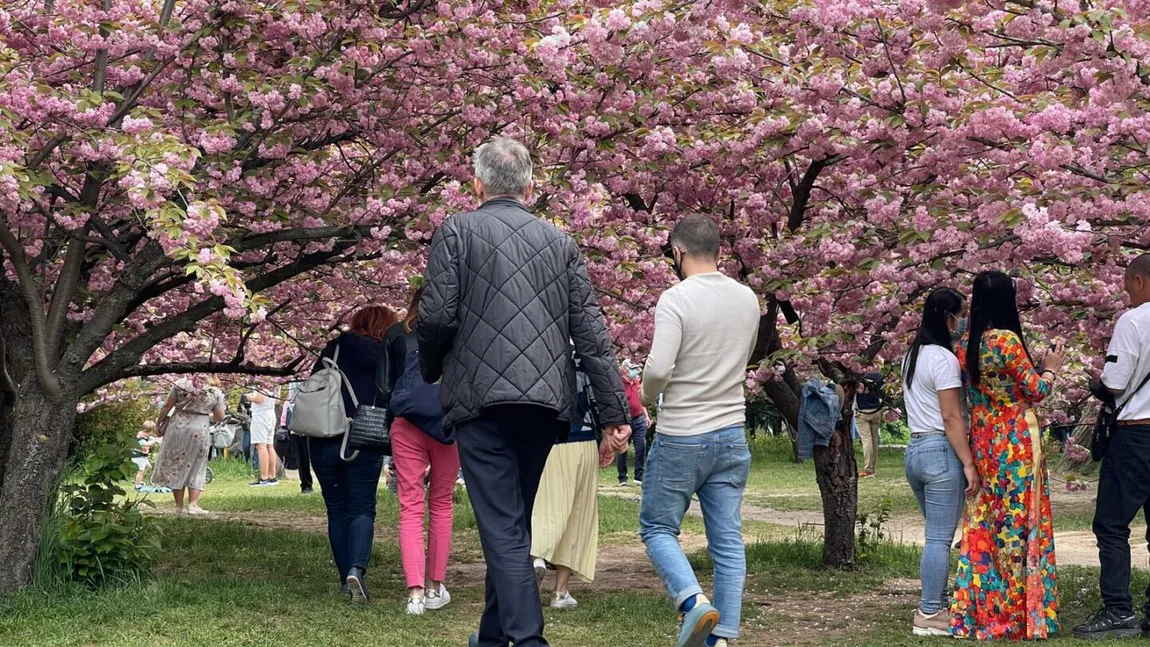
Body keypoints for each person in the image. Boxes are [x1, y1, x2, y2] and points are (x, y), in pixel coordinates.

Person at [418, 136, 630, 647]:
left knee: (503, 527)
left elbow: (435, 316)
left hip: (480, 400)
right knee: (510, 523)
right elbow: (592, 334)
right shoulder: (561, 243)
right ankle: (492, 637)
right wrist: (613, 410)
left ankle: (529, 639)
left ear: (477, 184)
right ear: (532, 187)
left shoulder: (457, 231)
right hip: (543, 405)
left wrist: (432, 369)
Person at [639, 214, 761, 647]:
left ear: (678, 251)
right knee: (727, 539)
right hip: (730, 430)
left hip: (682, 433)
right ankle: (723, 637)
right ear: (719, 251)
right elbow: (742, 358)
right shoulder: (748, 299)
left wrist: (648, 395)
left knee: (657, 528)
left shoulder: (676, 299)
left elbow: (657, 369)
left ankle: (693, 602)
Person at [951, 271, 1066, 640]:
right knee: (1020, 522)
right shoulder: (1006, 341)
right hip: (1016, 442)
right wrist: (1050, 369)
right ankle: (1020, 611)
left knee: (988, 521)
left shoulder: (967, 343)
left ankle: (988, 604)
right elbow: (1035, 391)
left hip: (983, 441)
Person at [1073, 254, 1150, 639]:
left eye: (1126, 283)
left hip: (1136, 435)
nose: (1123, 291)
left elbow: (1115, 385)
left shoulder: (1133, 321)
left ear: (1139, 281)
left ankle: (1118, 609)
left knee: (1112, 525)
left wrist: (1095, 382)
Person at [899, 288, 979, 636]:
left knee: (936, 535)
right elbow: (951, 416)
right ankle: (930, 613)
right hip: (940, 452)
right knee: (938, 539)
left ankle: (938, 604)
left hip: (915, 450)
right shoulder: (943, 359)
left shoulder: (911, 354)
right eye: (962, 313)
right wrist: (968, 463)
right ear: (948, 316)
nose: (965, 321)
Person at [379, 287, 460, 616]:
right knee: (441, 504)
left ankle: (413, 595)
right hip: (448, 425)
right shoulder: (458, 334)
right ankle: (434, 587)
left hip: (407, 423)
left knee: (410, 507)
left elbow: (384, 386)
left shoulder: (397, 334)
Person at [310, 306, 394, 603]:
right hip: (363, 436)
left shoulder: (333, 348)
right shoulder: (387, 352)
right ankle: (356, 570)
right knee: (361, 507)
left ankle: (344, 576)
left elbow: (313, 386)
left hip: (323, 435)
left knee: (336, 508)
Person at [531, 348, 602, 610]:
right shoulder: (585, 348)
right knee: (577, 513)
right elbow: (597, 392)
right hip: (581, 435)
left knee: (544, 504)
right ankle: (560, 591)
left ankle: (537, 558)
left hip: (544, 435)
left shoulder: (537, 340)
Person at [151, 376, 226, 515]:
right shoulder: (214, 390)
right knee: (198, 464)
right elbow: (220, 416)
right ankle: (193, 504)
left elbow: (167, 406)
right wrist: (205, 415)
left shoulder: (179, 384)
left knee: (176, 463)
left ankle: (178, 506)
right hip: (200, 426)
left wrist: (159, 422)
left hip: (178, 426)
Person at [618, 360, 649, 486]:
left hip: (639, 419)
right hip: (625, 420)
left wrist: (646, 416)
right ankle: (622, 478)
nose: (635, 371)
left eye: (636, 368)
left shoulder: (636, 381)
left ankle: (639, 476)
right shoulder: (619, 384)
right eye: (633, 369)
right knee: (623, 448)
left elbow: (640, 400)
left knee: (641, 446)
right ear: (625, 370)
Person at [246, 387, 279, 487]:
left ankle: (264, 477)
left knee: (261, 446)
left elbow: (259, 399)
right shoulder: (276, 381)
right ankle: (272, 475)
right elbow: (277, 400)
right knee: (270, 445)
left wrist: (248, 396)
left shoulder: (262, 381)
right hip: (270, 413)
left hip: (260, 415)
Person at [855, 370, 884, 478]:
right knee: (874, 440)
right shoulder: (878, 376)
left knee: (866, 440)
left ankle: (868, 469)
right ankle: (872, 468)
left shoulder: (859, 375)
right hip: (876, 410)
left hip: (862, 412)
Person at [133, 421, 161, 492]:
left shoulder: (146, 435)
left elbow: (151, 438)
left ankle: (138, 480)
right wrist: (154, 441)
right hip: (138, 456)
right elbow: (146, 444)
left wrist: (157, 439)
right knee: (141, 471)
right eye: (149, 433)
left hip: (143, 457)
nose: (150, 435)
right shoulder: (140, 438)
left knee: (148, 467)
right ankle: (137, 486)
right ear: (145, 430)